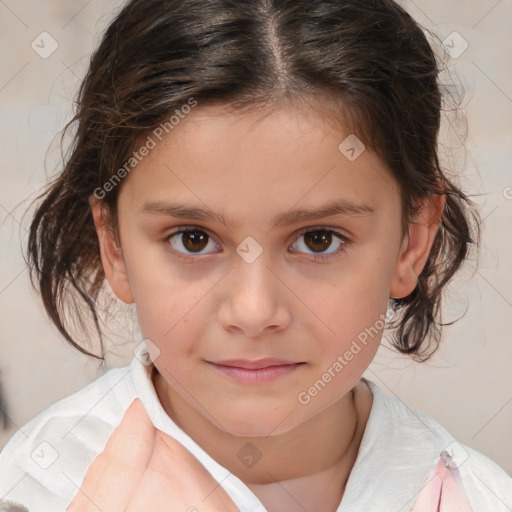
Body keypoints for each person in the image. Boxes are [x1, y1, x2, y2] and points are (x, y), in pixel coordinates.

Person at [0, 0, 510, 510]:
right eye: (193, 239)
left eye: (318, 240)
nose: (253, 311)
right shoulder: (36, 486)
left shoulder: (479, 497)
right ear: (114, 246)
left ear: (412, 240)